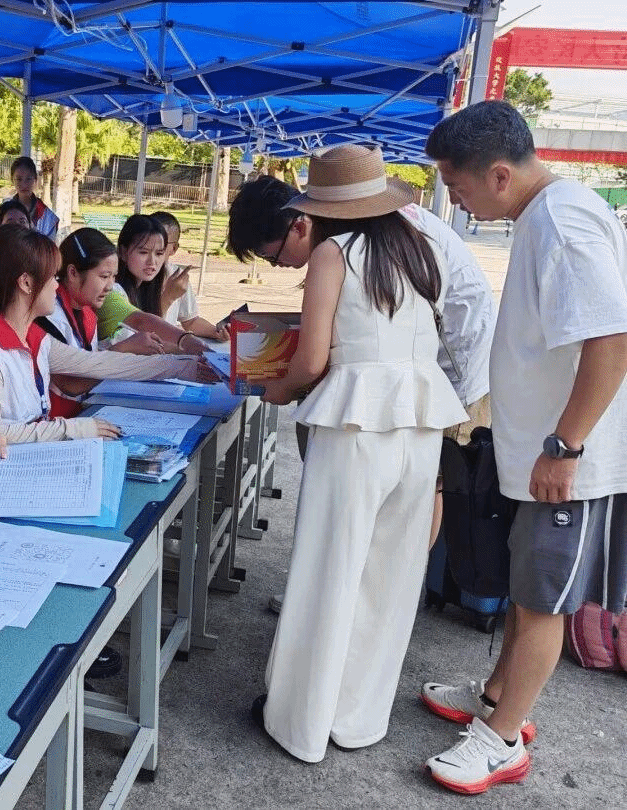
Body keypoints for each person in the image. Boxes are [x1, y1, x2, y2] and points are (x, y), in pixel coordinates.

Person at [421, 100, 627, 795]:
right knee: (523, 588)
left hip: (568, 461)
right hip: (542, 453)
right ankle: (495, 695)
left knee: (542, 599)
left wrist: (566, 446)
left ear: (500, 175)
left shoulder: (563, 222)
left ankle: (502, 739)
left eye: (457, 185)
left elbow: (611, 339)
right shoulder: (545, 215)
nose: (457, 200)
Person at [251, 145, 467, 763]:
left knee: (329, 569)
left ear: (321, 210)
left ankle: (301, 721)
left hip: (355, 425)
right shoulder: (419, 247)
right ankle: (357, 717)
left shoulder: (334, 253)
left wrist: (273, 390)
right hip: (419, 422)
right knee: (389, 578)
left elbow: (311, 360)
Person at [228, 171, 496, 582]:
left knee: (419, 488)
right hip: (408, 382)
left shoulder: (342, 249)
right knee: (401, 496)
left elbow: (316, 357)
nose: (279, 266)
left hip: (448, 373)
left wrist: (280, 387)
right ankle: (381, 587)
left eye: (274, 257)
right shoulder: (374, 232)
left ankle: (376, 583)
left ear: (302, 221)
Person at [0, 224, 216, 445]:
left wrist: (185, 368)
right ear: (26, 283)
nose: (57, 286)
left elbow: (101, 363)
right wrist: (72, 429)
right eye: (52, 278)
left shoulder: (33, 338)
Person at [41, 228, 198, 417]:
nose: (110, 286)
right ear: (73, 273)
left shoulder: (87, 310)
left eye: (113, 276)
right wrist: (123, 349)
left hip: (84, 411)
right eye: (104, 276)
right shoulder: (49, 315)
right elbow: (71, 385)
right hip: (59, 420)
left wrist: (186, 349)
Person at [97, 215, 209, 356]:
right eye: (143, 252)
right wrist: (168, 298)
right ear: (123, 252)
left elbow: (154, 343)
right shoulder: (111, 291)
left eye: (159, 253)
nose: (152, 261)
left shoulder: (146, 288)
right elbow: (142, 324)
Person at [150, 211, 229, 341]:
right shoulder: (128, 280)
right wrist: (168, 297)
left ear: (174, 249)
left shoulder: (177, 276)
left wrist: (217, 332)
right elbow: (142, 327)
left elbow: (190, 321)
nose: (150, 258)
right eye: (143, 248)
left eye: (161, 245)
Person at [7, 156, 59, 239]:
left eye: (28, 179)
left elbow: (49, 246)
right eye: (19, 179)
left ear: (35, 179)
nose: (24, 184)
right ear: (12, 180)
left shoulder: (48, 218)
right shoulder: (3, 211)